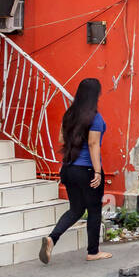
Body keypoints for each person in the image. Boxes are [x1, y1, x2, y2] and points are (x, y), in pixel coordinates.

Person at [41, 77, 112, 264]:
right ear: (95, 95)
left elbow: (61, 140)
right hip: (87, 170)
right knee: (95, 209)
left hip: (68, 168)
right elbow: (93, 143)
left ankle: (52, 238)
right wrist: (97, 172)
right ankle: (93, 251)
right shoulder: (95, 118)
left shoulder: (69, 115)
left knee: (76, 209)